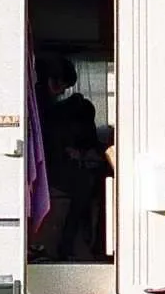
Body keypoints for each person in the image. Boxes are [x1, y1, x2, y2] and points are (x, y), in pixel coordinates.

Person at [34, 52, 110, 259]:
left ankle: (73, 246)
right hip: (52, 167)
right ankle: (71, 247)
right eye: (62, 85)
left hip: (55, 164)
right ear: (52, 79)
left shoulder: (44, 101)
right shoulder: (43, 103)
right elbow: (51, 136)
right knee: (84, 186)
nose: (63, 91)